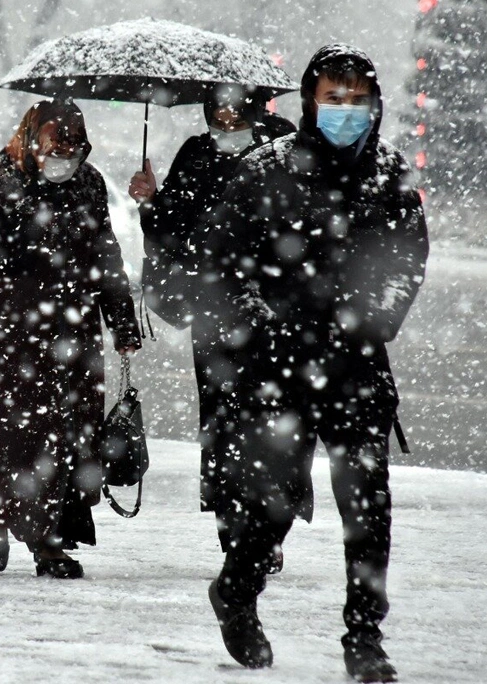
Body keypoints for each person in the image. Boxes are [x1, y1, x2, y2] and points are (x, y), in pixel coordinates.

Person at [200, 44, 429, 682]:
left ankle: (364, 638)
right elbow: (223, 258)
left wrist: (373, 320)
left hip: (356, 366)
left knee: (367, 507)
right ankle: (238, 590)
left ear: (375, 104)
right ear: (310, 100)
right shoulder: (266, 168)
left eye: (357, 100)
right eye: (334, 97)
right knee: (272, 503)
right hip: (276, 367)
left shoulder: (388, 172)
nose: (345, 110)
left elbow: (407, 259)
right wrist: (261, 324)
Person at [0, 99, 141, 579]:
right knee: (3, 434)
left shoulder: (88, 183)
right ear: (32, 137)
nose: (64, 153)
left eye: (73, 144)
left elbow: (104, 253)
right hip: (3, 332)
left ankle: (50, 542)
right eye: (56, 141)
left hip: (70, 331)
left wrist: (122, 320)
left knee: (67, 435)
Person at [128, 87, 296, 539]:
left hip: (276, 312)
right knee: (223, 418)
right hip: (214, 311)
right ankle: (231, 519)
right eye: (216, 118)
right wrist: (149, 200)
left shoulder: (284, 147)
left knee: (273, 418)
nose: (224, 126)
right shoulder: (197, 154)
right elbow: (168, 229)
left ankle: (269, 524)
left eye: (234, 116)